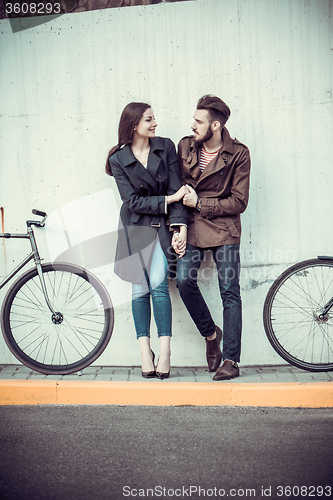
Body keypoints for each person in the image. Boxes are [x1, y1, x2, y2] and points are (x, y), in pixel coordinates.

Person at [106, 102, 188, 379]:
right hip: (134, 228)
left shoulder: (165, 147)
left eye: (154, 118)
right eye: (149, 119)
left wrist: (179, 227)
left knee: (158, 285)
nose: (155, 123)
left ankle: (164, 352)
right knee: (139, 289)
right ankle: (145, 351)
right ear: (133, 125)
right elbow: (132, 201)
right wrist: (168, 200)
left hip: (162, 227)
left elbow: (177, 188)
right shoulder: (118, 160)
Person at [172, 95, 251, 380]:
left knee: (230, 291)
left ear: (215, 126)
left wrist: (202, 205)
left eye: (198, 121)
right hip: (191, 226)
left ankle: (231, 359)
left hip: (225, 228)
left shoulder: (239, 153)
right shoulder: (184, 146)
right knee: (183, 281)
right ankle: (210, 334)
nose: (192, 125)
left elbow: (239, 202)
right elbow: (178, 189)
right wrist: (178, 226)